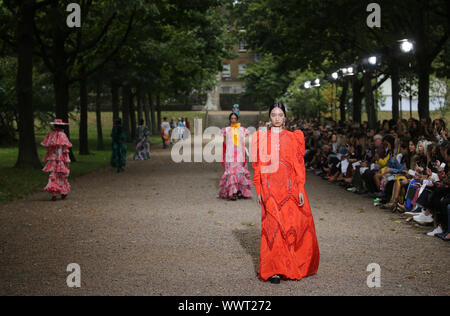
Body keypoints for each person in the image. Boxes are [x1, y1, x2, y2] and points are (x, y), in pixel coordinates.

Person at [251, 102, 320, 284]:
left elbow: (298, 166)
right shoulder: (260, 137)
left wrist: (299, 188)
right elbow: (257, 165)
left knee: (290, 226)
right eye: (274, 114)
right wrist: (259, 189)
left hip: (289, 189)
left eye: (280, 114)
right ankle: (273, 269)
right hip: (269, 188)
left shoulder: (294, 137)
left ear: (285, 118)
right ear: (270, 117)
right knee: (272, 227)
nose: (277, 118)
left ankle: (289, 266)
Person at [218, 112, 252, 201]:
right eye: (232, 118)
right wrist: (224, 154)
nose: (233, 120)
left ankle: (240, 191)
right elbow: (224, 143)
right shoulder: (226, 130)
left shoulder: (242, 130)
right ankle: (232, 192)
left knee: (239, 172)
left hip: (239, 154)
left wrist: (245, 152)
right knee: (232, 173)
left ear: (237, 119)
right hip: (230, 154)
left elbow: (243, 142)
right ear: (229, 119)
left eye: (234, 118)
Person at [41, 119, 72, 201]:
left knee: (53, 175)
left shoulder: (50, 135)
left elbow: (48, 148)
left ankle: (54, 193)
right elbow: (64, 149)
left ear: (54, 126)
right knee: (62, 175)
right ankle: (63, 192)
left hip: (52, 159)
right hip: (61, 159)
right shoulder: (62, 135)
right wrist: (66, 160)